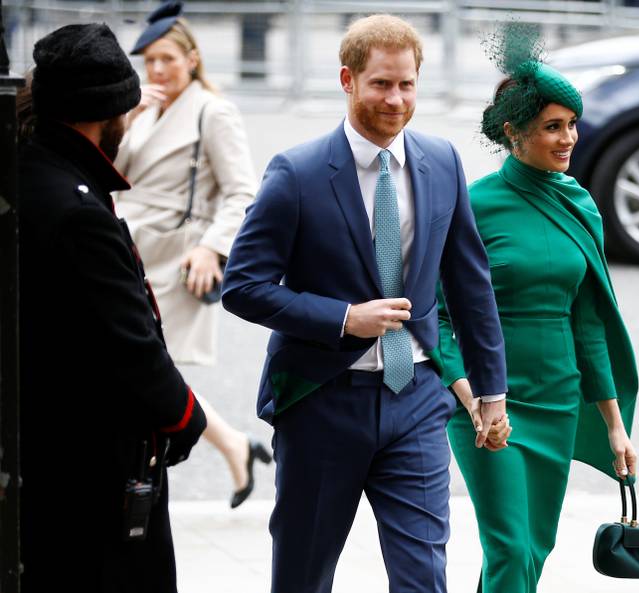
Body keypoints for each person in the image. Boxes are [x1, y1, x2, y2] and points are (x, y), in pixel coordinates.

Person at [222, 14, 508, 593]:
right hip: (323, 402)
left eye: (407, 85)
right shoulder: (297, 173)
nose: (395, 100)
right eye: (381, 84)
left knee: (424, 579)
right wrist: (344, 318)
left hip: (417, 400)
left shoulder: (442, 161)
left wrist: (491, 389)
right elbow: (243, 286)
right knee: (303, 575)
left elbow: (470, 284)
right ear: (347, 79)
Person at [435, 24, 639, 592]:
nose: (568, 138)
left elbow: (588, 324)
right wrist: (470, 396)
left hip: (557, 400)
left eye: (572, 123)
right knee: (510, 548)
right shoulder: (473, 204)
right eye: (553, 126)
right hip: (487, 401)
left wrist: (614, 425)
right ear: (513, 132)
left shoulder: (581, 205)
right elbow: (438, 315)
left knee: (534, 549)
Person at [18, 23, 207, 592]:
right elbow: (128, 341)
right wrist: (185, 417)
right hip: (89, 457)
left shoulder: (35, 168)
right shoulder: (78, 210)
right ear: (108, 116)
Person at [115, 1, 270, 508]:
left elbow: (242, 191)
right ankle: (234, 447)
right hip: (131, 250)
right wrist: (129, 115)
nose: (158, 70)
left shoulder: (211, 111)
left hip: (177, 259)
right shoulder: (146, 107)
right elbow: (114, 172)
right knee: (149, 373)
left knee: (148, 373)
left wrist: (212, 247)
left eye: (168, 59)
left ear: (193, 59)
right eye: (150, 61)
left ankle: (146, 481)